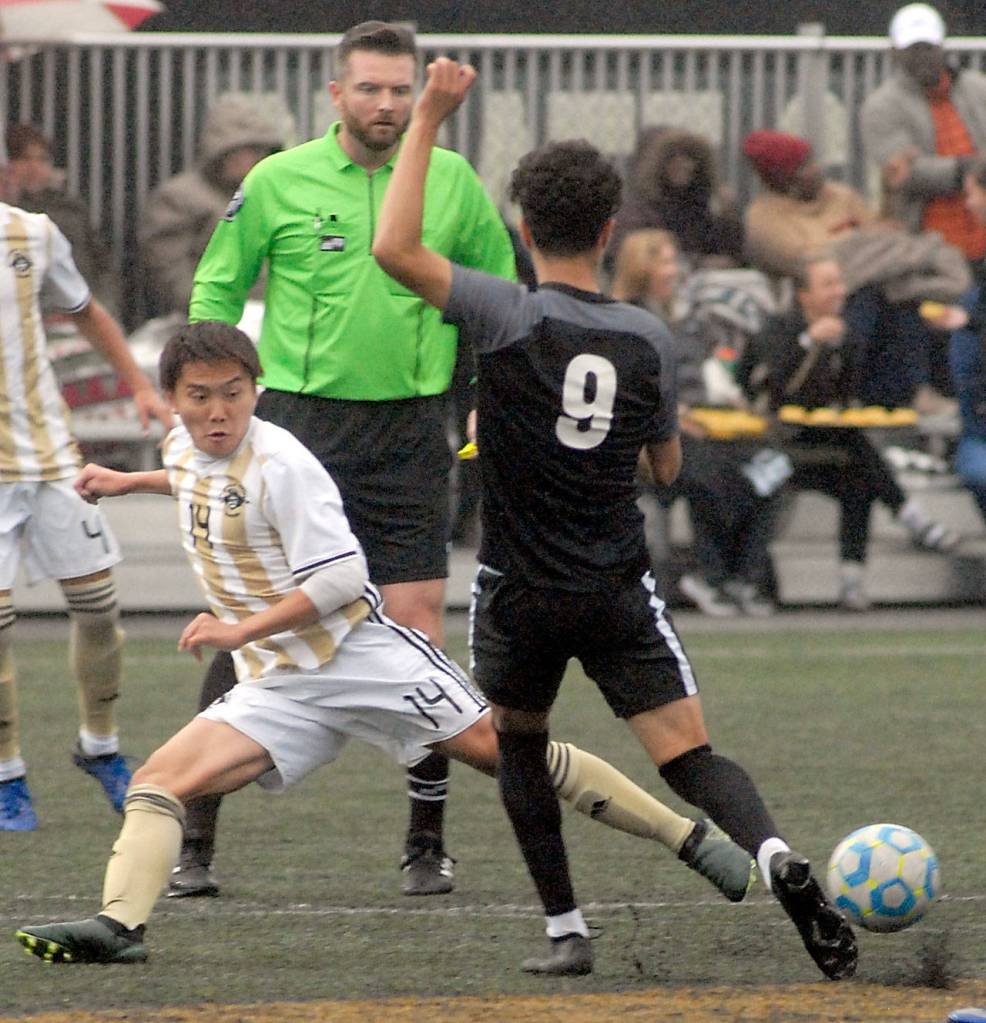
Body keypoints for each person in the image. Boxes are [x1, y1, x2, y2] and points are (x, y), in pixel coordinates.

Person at [14, 321, 755, 965]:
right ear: (172, 398)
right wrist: (123, 481)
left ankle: (686, 836)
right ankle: (120, 924)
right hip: (281, 683)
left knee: (510, 753)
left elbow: (340, 579)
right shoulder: (185, 446)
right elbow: (194, 477)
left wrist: (239, 629)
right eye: (200, 395)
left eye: (233, 392)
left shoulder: (284, 465)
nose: (217, 411)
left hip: (363, 656)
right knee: (158, 781)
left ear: (257, 389)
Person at [372, 57, 858, 980]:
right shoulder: (647, 335)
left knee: (519, 738)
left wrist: (430, 117)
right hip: (616, 585)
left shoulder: (503, 311)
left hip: (519, 589)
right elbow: (667, 467)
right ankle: (774, 855)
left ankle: (565, 928)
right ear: (608, 228)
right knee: (691, 756)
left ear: (523, 225)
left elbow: (394, 248)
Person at [174, 21, 518, 899]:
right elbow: (216, 284)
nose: (386, 104)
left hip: (409, 432)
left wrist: (485, 388)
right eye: (369, 88)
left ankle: (424, 843)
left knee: (416, 635)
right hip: (297, 430)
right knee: (259, 632)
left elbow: (496, 292)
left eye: (400, 89)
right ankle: (194, 841)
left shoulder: (451, 179)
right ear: (336, 95)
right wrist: (210, 386)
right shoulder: (278, 179)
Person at [0, 135, 173, 830]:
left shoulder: (30, 234)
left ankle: (99, 747)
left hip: (49, 455)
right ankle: (8, 773)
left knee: (100, 606)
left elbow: (85, 310)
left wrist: (139, 384)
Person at [737, 255, 960, 611]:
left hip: (825, 445)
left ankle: (852, 581)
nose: (838, 292)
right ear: (804, 295)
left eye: (840, 284)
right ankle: (909, 517)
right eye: (828, 285)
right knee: (859, 451)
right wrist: (809, 342)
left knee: (859, 474)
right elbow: (773, 387)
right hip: (777, 446)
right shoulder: (779, 329)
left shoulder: (846, 332)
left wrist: (839, 352)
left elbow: (843, 398)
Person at [611, 229, 784, 616]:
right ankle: (710, 573)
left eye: (676, 261)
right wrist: (672, 416)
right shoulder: (625, 319)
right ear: (642, 268)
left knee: (773, 467)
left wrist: (730, 397)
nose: (675, 270)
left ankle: (747, 574)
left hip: (707, 424)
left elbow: (705, 373)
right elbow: (626, 388)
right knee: (709, 470)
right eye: (665, 262)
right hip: (648, 439)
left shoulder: (687, 319)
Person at [742, 128, 969, 413]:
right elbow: (816, 262)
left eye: (813, 160)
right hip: (818, 302)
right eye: (803, 167)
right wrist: (860, 247)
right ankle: (880, 391)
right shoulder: (765, 219)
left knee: (903, 293)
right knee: (873, 292)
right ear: (781, 178)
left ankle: (913, 393)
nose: (816, 171)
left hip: (882, 281)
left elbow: (886, 235)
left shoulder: (841, 196)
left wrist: (891, 192)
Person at [139, 93, 286, 316]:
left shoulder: (271, 196)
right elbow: (171, 272)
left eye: (264, 151)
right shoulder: (180, 198)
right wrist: (211, 313)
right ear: (225, 152)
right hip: (213, 319)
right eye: (251, 150)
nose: (259, 158)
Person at [861, 4, 986, 262]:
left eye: (928, 47)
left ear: (942, 47)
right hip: (927, 243)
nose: (922, 57)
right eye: (912, 49)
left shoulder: (977, 87)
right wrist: (972, 168)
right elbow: (906, 173)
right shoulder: (880, 106)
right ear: (895, 52)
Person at [5, 123, 119, 316]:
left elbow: (103, 267)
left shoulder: (71, 209)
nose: (34, 168)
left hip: (78, 315)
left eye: (42, 160)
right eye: (24, 159)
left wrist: (102, 307)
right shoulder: (6, 214)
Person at [606, 127, 743, 273]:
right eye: (673, 158)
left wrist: (729, 217)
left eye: (689, 158)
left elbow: (735, 256)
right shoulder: (640, 212)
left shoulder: (708, 210)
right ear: (659, 165)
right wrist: (697, 263)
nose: (682, 164)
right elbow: (627, 256)